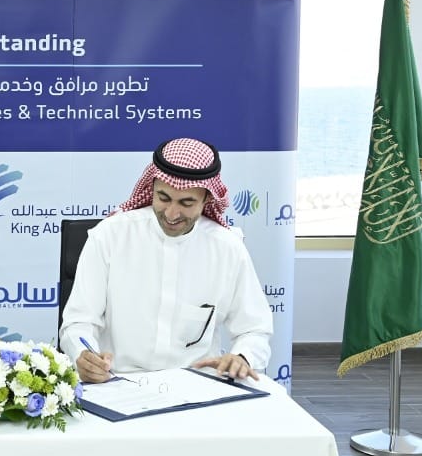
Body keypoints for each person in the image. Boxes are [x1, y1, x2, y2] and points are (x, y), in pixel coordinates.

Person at [59, 137, 273, 384]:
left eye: (186, 203)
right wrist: (83, 354)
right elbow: (79, 323)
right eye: (163, 198)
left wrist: (243, 357)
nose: (172, 214)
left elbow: (254, 330)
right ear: (151, 188)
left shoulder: (228, 249)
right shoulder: (110, 236)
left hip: (197, 385)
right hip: (118, 381)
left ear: (207, 199)